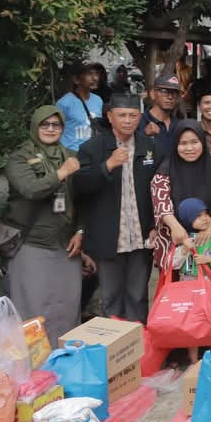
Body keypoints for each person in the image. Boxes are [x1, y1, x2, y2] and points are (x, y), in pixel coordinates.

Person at [74, 92, 163, 322]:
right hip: (108, 237)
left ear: (140, 117)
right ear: (110, 117)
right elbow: (79, 187)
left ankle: (139, 351)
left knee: (138, 296)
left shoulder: (151, 147)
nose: (127, 120)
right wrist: (108, 165)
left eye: (133, 115)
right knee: (110, 298)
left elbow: (160, 191)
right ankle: (115, 352)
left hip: (141, 237)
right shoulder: (92, 148)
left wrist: (155, 225)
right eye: (122, 115)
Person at [3, 106, 85, 345]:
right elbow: (30, 189)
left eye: (56, 125)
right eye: (45, 124)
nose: (50, 129)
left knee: (67, 309)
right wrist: (61, 173)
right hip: (31, 244)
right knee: (33, 309)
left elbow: (82, 199)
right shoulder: (19, 157)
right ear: (35, 126)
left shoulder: (70, 155)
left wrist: (81, 232)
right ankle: (34, 372)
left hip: (65, 245)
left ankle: (64, 363)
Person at [149, 121, 211, 271]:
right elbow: (161, 203)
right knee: (175, 291)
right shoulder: (164, 171)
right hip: (174, 244)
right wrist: (176, 227)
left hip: (207, 242)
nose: (189, 148)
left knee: (207, 287)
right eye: (183, 143)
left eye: (194, 142)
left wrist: (210, 227)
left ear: (202, 142)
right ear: (175, 145)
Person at [170, 197, 211, 363]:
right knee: (193, 323)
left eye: (206, 213)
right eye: (198, 216)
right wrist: (184, 249)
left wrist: (210, 260)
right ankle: (193, 361)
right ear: (188, 219)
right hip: (190, 290)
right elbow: (173, 265)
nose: (205, 218)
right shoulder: (182, 238)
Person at [57, 61, 104, 151]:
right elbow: (56, 131)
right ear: (76, 80)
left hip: (93, 153)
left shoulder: (98, 100)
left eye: (96, 74)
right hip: (72, 154)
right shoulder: (64, 103)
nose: (95, 78)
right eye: (89, 74)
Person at [141, 74, 182, 154]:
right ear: (152, 94)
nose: (170, 96)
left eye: (174, 92)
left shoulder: (180, 125)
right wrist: (143, 135)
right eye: (164, 91)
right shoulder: (138, 122)